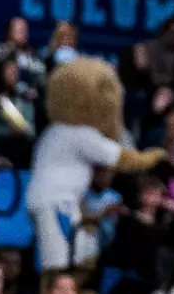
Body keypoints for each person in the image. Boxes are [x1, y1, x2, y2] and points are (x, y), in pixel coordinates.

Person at [25, 58, 165, 271]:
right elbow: (124, 159)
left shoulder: (52, 132)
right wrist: (156, 155)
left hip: (61, 202)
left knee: (84, 252)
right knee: (57, 263)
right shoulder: (78, 132)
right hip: (53, 204)